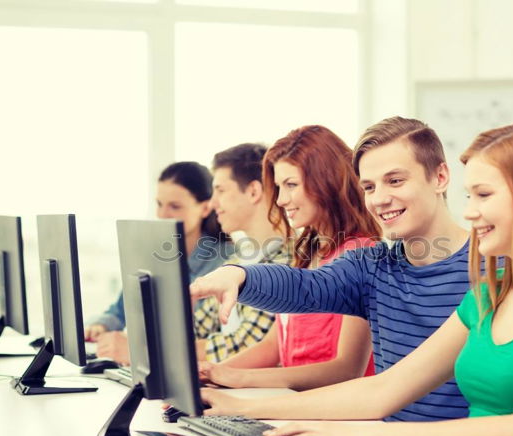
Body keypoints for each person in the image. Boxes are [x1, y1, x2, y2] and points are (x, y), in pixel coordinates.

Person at [197, 120, 513, 436]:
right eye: (368, 187)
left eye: (482, 194)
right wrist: (241, 277)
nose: (470, 210)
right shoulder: (489, 294)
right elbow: (379, 388)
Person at [192, 117, 470, 420]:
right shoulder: (371, 267)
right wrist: (238, 275)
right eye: (369, 186)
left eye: (395, 180)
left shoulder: (497, 270)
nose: (379, 199)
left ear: (440, 177)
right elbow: (303, 287)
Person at [198, 125, 381, 391]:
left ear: (326, 180)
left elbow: (347, 369)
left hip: (338, 414)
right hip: (296, 404)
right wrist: (213, 375)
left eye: (291, 185)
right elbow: (274, 347)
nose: (281, 200)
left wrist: (237, 379)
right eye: (279, 187)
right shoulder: (305, 253)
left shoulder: (363, 253)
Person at [85, 161, 232, 365]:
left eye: (175, 206)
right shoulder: (154, 254)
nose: (162, 215)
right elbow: (120, 311)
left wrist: (135, 348)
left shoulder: (227, 262)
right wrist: (101, 326)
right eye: (159, 204)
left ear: (205, 208)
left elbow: (197, 334)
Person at [193, 143, 292, 362]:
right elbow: (199, 325)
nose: (212, 203)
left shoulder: (290, 261)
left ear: (253, 191)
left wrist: (164, 351)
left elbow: (246, 345)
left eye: (220, 190)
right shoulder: (238, 259)